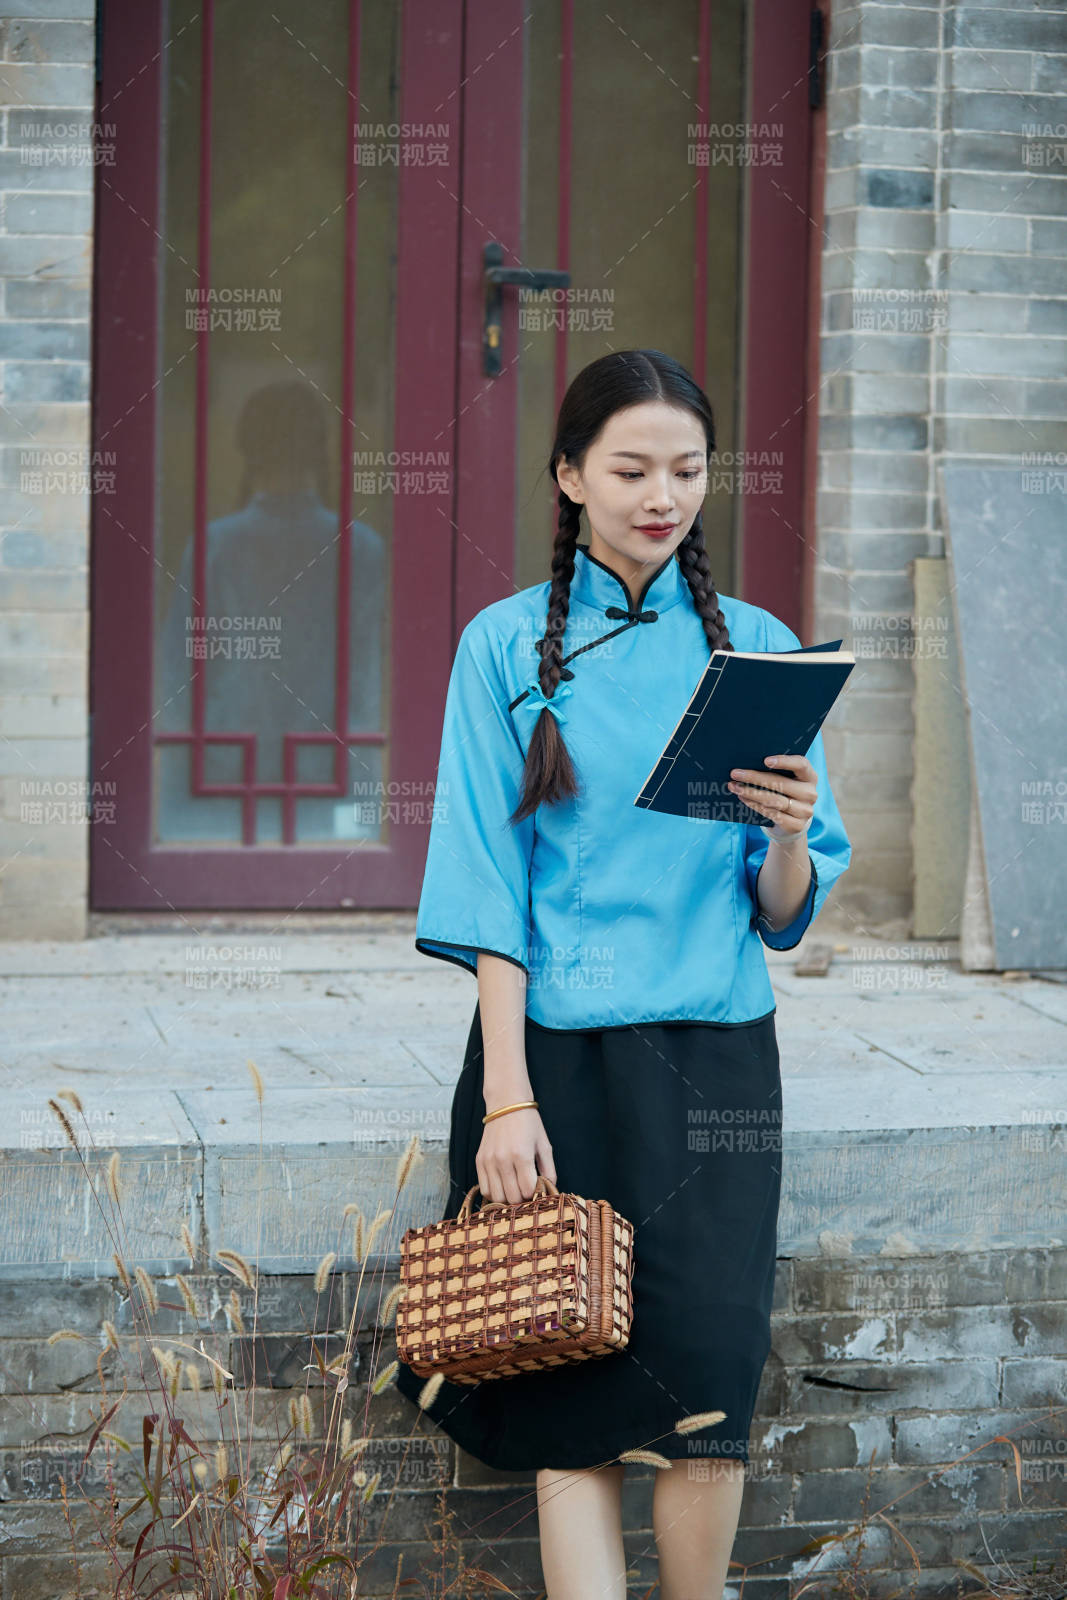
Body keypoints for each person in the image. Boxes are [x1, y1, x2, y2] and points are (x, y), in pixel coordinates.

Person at [394, 349, 852, 1599]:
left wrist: (788, 830)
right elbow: (486, 888)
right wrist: (504, 1097)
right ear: (568, 475)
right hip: (557, 1062)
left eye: (687, 470)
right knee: (567, 1390)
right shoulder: (502, 648)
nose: (662, 494)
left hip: (714, 1056)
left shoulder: (755, 649)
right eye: (631, 468)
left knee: (708, 1389)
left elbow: (780, 916)